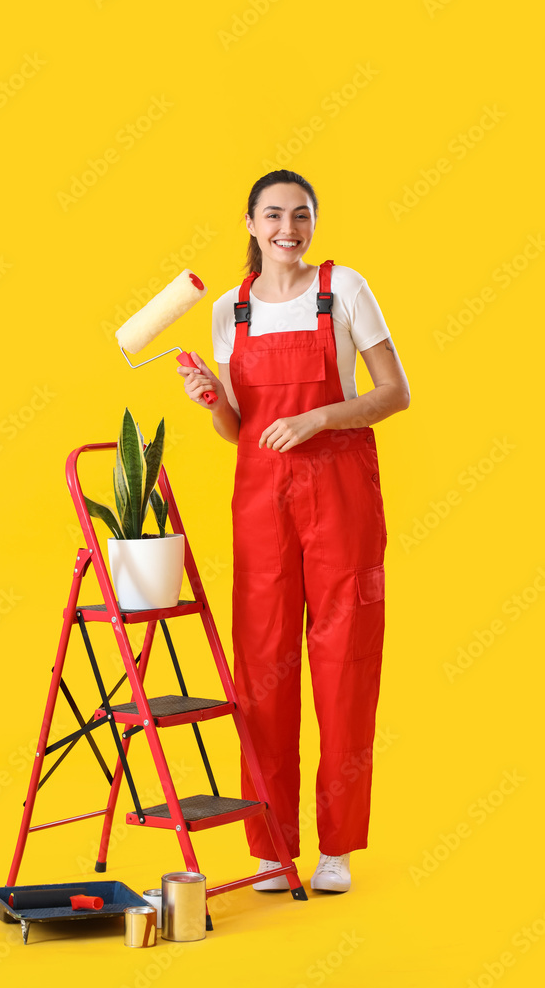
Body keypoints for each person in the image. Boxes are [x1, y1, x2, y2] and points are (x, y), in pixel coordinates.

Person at [178, 169, 410, 893]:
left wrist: (320, 416)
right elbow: (239, 430)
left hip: (338, 492)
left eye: (301, 215)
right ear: (249, 223)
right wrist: (211, 400)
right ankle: (271, 846)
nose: (289, 227)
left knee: (344, 662)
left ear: (313, 222)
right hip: (260, 500)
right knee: (261, 667)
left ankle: (334, 849)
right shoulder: (230, 310)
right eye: (273, 215)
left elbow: (393, 392)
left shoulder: (344, 290)